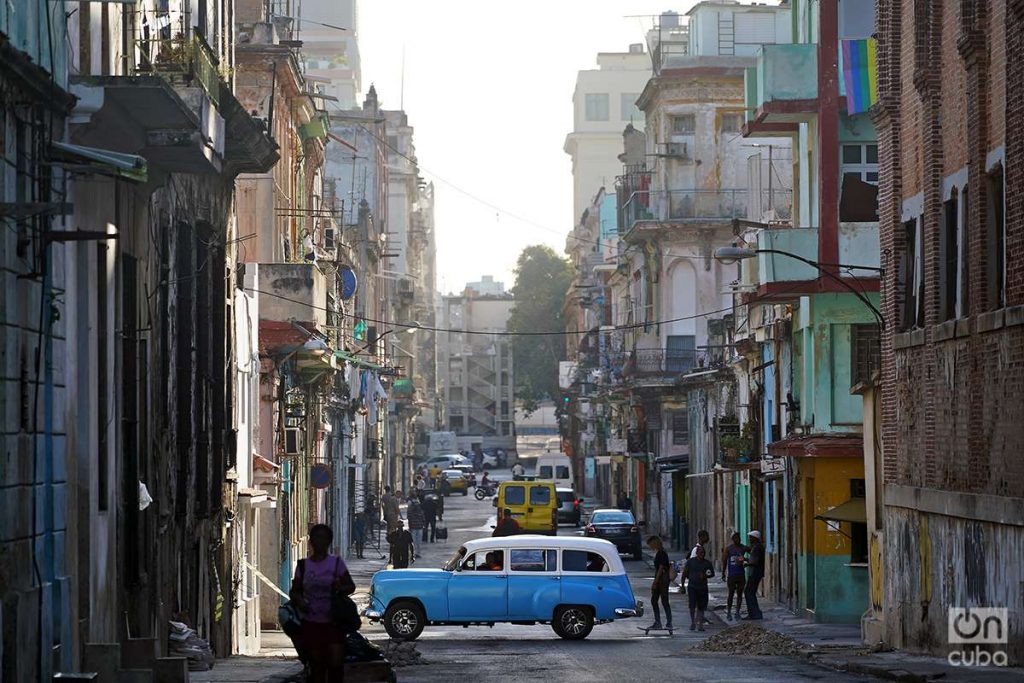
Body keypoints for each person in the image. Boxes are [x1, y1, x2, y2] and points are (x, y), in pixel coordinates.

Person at [288, 524, 355, 683]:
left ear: (329, 542)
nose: (320, 542)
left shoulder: (337, 563)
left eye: (324, 538)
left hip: (334, 623)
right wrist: (300, 601)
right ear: (311, 542)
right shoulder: (303, 566)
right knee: (316, 666)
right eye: (317, 538)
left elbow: (351, 586)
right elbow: (294, 591)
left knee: (335, 666)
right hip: (311, 623)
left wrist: (340, 587)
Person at [682, 545, 715, 631]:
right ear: (696, 553)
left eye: (703, 553)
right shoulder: (691, 562)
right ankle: (693, 622)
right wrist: (682, 585)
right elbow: (685, 573)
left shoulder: (707, 563)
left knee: (701, 606)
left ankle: (700, 624)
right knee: (692, 605)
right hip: (692, 586)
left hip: (703, 587)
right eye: (700, 553)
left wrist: (705, 575)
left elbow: (711, 574)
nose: (702, 554)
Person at [721, 532, 749, 620]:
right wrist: (723, 573)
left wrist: (746, 560)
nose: (737, 539)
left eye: (738, 538)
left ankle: (737, 612)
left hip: (740, 574)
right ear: (732, 539)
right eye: (735, 538)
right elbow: (724, 561)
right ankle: (729, 612)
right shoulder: (729, 549)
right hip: (732, 574)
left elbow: (753, 553)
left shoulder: (743, 547)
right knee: (731, 593)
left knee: (740, 594)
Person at [646, 535, 672, 630]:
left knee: (663, 601)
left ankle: (668, 622)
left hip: (662, 580)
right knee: (655, 600)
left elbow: (661, 569)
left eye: (651, 545)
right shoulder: (660, 553)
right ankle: (659, 622)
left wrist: (655, 582)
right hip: (661, 579)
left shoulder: (661, 553)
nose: (650, 547)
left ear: (655, 543)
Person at [743, 530, 765, 620]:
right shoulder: (756, 547)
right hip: (756, 573)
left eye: (751, 537)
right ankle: (755, 613)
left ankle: (754, 613)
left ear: (755, 538)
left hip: (755, 573)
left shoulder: (757, 548)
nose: (749, 539)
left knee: (749, 592)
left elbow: (755, 561)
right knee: (750, 592)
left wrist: (746, 563)